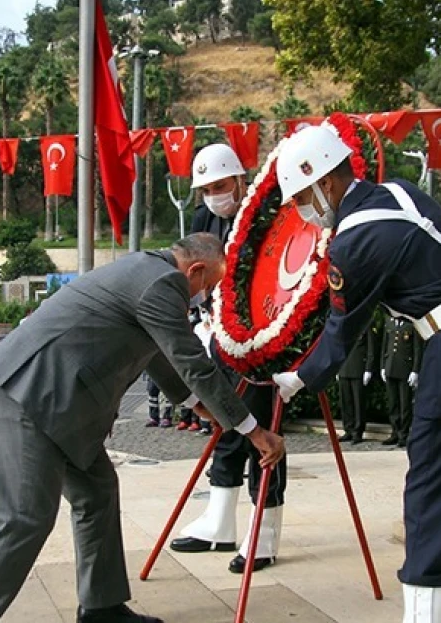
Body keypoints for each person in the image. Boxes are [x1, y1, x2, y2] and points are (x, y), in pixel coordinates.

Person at [0, 234, 286, 623]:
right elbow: (192, 362)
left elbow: (158, 357)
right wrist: (252, 431)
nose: (204, 296)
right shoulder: (163, 283)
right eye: (207, 285)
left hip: (59, 401)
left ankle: (101, 608)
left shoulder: (147, 272)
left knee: (97, 492)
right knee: (25, 518)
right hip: (29, 392)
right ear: (194, 270)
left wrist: (198, 405)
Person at [269, 126, 441, 623]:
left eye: (302, 197)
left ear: (325, 184)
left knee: (430, 490)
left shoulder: (354, 240)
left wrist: (300, 377)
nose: (303, 210)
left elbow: (342, 328)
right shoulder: (401, 191)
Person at [170, 143, 285, 574]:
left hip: (262, 336)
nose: (214, 196)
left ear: (239, 179)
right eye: (206, 189)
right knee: (224, 422)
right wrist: (202, 319)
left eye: (220, 186)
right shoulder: (205, 218)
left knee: (262, 428)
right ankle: (219, 519)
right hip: (219, 332)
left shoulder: (264, 212)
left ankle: (265, 529)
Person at [381, 316, 425, 448]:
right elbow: (385, 346)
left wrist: (415, 370)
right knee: (393, 403)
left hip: (405, 369)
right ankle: (395, 432)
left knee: (405, 404)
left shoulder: (411, 324)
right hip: (390, 367)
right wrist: (382, 366)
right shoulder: (389, 322)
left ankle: (403, 434)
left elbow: (417, 348)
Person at [337, 323, 376, 444]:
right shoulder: (343, 326)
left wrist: (368, 369)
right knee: (346, 401)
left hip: (358, 368)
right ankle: (348, 429)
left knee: (358, 402)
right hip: (344, 368)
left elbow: (371, 348)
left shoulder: (366, 324)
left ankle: (357, 432)